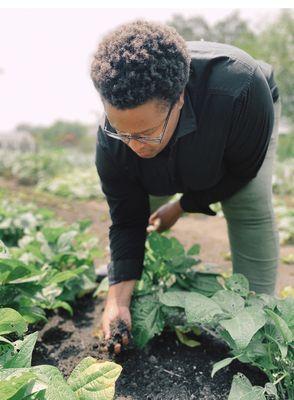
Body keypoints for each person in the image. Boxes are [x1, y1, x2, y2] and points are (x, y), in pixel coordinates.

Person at [90, 19, 281, 353]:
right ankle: (121, 273)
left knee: (248, 204)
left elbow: (239, 173)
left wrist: (182, 206)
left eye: (144, 133)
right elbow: (126, 216)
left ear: (178, 99)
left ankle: (257, 323)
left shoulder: (240, 89)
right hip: (184, 129)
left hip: (234, 121)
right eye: (122, 131)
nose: (134, 145)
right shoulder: (112, 140)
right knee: (141, 198)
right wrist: (116, 299)